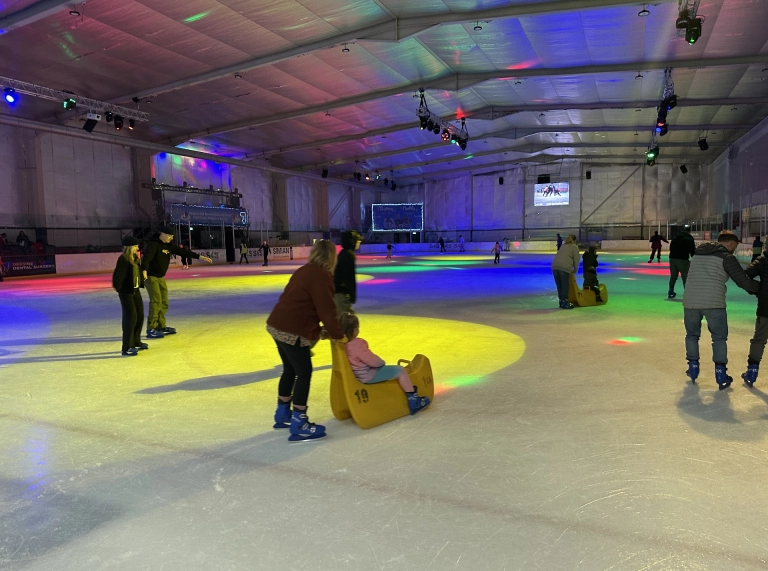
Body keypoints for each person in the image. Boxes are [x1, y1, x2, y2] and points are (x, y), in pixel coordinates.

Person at [266, 240, 345, 441]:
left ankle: (282, 413)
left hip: (277, 325)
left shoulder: (304, 270)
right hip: (292, 330)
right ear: (331, 258)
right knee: (304, 372)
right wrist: (338, 334)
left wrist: (319, 330)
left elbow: (300, 303)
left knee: (290, 370)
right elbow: (326, 310)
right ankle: (299, 421)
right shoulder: (322, 276)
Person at [683, 230, 759, 389]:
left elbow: (688, 275)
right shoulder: (726, 257)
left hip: (690, 301)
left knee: (691, 335)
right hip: (714, 303)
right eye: (735, 246)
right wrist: (762, 288)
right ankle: (721, 374)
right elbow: (743, 281)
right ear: (731, 244)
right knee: (718, 338)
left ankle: (693, 368)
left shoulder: (696, 255)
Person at [339, 312, 430, 415]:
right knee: (400, 370)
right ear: (354, 330)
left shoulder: (343, 344)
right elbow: (372, 360)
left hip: (359, 374)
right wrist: (381, 363)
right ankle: (414, 401)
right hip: (368, 375)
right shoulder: (357, 345)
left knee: (393, 370)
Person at [141, 226, 212, 338]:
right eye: (170, 235)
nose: (172, 238)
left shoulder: (169, 246)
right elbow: (147, 258)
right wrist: (144, 269)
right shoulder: (153, 245)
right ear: (163, 234)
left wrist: (199, 256)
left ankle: (160, 325)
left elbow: (183, 252)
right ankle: (151, 328)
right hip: (151, 277)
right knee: (156, 301)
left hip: (160, 277)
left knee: (164, 302)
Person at [112, 237, 146, 357]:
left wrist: (141, 281)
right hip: (126, 292)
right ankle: (127, 347)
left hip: (135, 291)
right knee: (130, 318)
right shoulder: (123, 259)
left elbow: (137, 273)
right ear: (130, 247)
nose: (138, 248)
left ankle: (136, 340)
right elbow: (117, 277)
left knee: (140, 315)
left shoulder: (136, 258)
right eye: (136, 246)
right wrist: (121, 289)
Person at [741, 253, 768, 387]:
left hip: (766, 306)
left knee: (759, 339)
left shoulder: (763, 260)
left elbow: (744, 276)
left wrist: (758, 289)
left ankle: (752, 373)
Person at [334, 230, 361, 317]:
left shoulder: (343, 253)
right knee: (349, 323)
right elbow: (349, 278)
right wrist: (352, 295)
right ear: (352, 242)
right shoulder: (348, 255)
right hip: (339, 295)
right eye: (358, 240)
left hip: (336, 293)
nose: (359, 242)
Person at [551, 234, 580, 309]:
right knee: (565, 285)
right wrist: (575, 269)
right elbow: (576, 259)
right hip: (564, 267)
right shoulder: (574, 247)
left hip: (555, 266)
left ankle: (561, 301)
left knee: (559, 285)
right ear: (574, 240)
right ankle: (564, 302)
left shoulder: (563, 246)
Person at [668, 229, 696, 298]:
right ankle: (687, 293)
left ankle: (671, 290)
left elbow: (671, 248)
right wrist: (694, 257)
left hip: (672, 258)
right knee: (685, 276)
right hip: (682, 259)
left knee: (673, 276)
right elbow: (692, 249)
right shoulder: (689, 238)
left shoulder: (675, 238)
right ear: (689, 231)